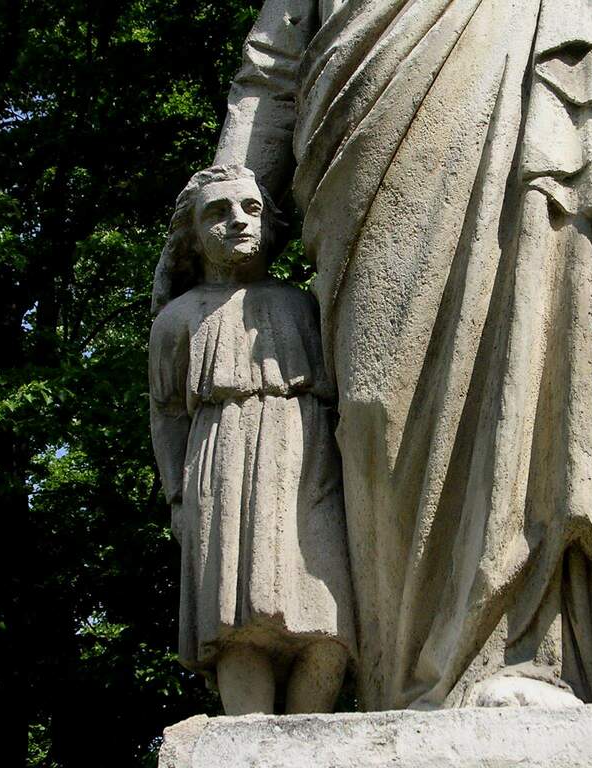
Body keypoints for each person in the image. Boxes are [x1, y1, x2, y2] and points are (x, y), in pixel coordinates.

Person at [212, 0, 592, 710]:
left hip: (543, 147)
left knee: (538, 390)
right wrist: (226, 196)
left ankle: (536, 659)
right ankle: (394, 687)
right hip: (376, 147)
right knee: (375, 415)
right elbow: (270, 70)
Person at [148, 164, 354, 715]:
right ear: (192, 236)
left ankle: (313, 736)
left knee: (327, 617)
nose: (238, 221)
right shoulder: (178, 319)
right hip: (224, 462)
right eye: (217, 212)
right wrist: (176, 499)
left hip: (310, 463)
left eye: (251, 208)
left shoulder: (305, 305)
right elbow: (167, 415)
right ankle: (249, 735)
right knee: (235, 615)